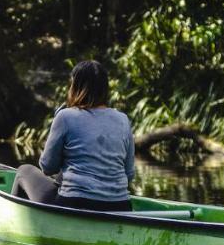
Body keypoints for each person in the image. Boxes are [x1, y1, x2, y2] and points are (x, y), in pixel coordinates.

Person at [13, 60, 135, 212]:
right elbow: (129, 174)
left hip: (74, 204)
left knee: (24, 171)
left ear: (75, 87)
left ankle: (16, 222)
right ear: (105, 89)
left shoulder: (65, 117)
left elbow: (47, 167)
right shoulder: (122, 119)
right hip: (120, 206)